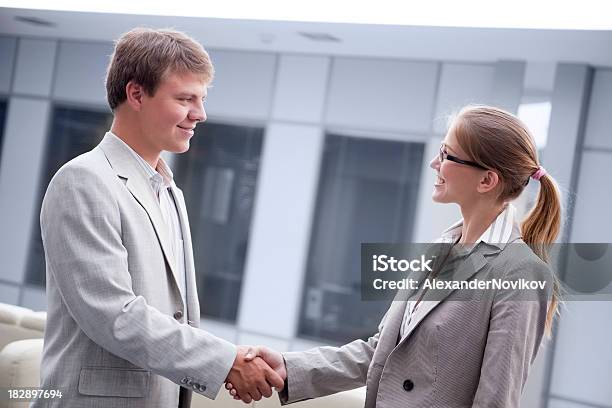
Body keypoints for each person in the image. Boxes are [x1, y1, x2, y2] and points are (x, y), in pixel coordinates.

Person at [227, 105, 562, 407]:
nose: (435, 163)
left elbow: (495, 400)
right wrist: (288, 366)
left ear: (487, 180)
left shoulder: (520, 271)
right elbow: (383, 352)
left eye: (447, 155)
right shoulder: (442, 249)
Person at [35, 27, 282, 408]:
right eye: (185, 98)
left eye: (201, 99)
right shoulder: (83, 181)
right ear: (136, 94)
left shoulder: (169, 191)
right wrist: (227, 361)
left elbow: (176, 316)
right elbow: (115, 316)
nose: (200, 114)